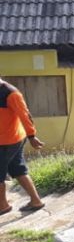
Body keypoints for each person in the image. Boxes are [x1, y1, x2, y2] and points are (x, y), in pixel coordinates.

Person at [0, 78, 45, 215]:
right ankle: (36, 201)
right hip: (10, 139)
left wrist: (32, 136)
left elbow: (24, 115)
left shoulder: (11, 93)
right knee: (18, 169)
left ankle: (3, 206)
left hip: (8, 140)